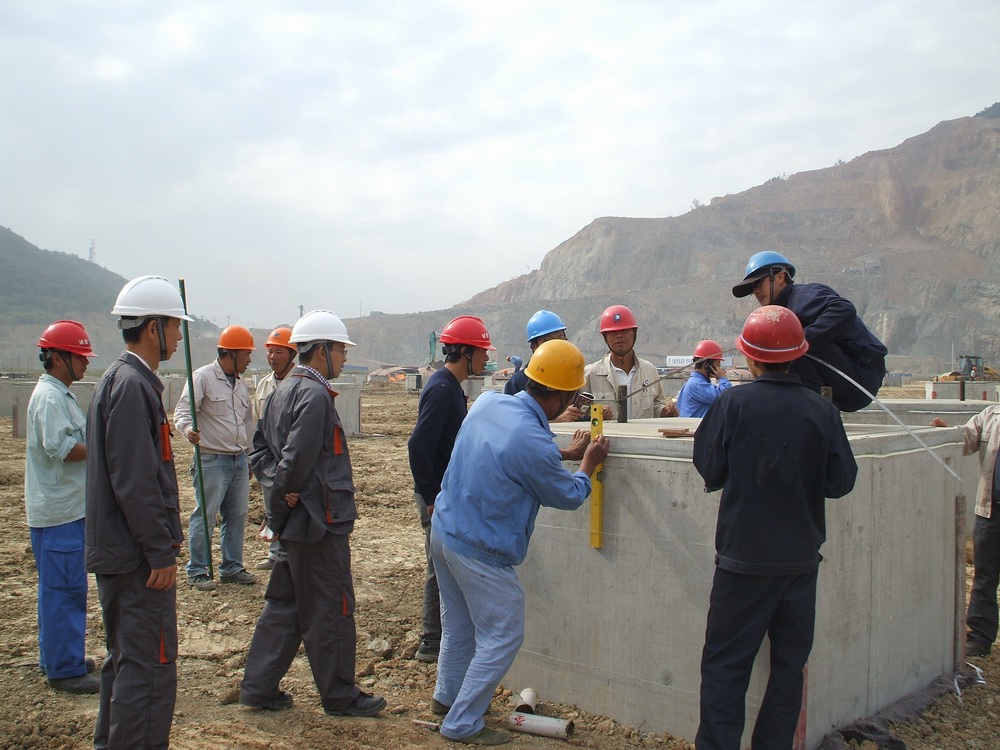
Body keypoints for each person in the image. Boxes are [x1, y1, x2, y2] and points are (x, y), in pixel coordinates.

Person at [692, 305, 858, 750]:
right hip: (800, 565)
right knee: (787, 671)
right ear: (797, 354)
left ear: (750, 356)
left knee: (726, 667)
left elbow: (709, 465)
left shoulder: (732, 404)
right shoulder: (822, 410)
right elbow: (841, 482)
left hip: (742, 565)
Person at [430, 339, 610, 745]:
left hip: (444, 531)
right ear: (561, 396)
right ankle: (462, 724)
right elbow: (567, 495)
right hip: (479, 549)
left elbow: (513, 451)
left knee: (459, 625)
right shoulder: (533, 442)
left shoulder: (489, 403)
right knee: (503, 634)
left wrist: (561, 453)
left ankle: (446, 697)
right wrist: (586, 464)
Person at [239, 310, 386, 718]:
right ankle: (340, 695)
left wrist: (278, 494)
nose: (344, 357)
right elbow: (295, 459)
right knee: (331, 607)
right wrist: (281, 499)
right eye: (340, 349)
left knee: (285, 604)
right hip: (319, 523)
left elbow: (259, 453)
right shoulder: (315, 395)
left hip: (299, 522)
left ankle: (258, 687)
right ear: (321, 351)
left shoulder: (282, 390)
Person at [86, 275, 191, 749]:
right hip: (136, 562)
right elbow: (136, 482)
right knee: (148, 665)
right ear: (152, 328)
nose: (178, 336)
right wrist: (159, 552)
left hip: (122, 554)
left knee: (126, 661)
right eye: (174, 325)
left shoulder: (120, 380)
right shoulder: (131, 386)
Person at [407, 315, 495, 664]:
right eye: (482, 352)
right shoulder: (443, 389)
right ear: (465, 352)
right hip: (437, 496)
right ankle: (431, 641)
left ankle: (443, 635)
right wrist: (430, 496)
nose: (486, 359)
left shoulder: (451, 387)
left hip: (444, 492)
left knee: (445, 562)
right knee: (438, 564)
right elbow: (418, 445)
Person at [25, 320, 100, 694]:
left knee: (59, 589)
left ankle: (58, 657)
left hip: (64, 509)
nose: (85, 363)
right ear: (57, 357)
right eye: (79, 356)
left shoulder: (59, 394)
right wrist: (104, 449)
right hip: (59, 514)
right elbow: (65, 449)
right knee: (65, 589)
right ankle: (65, 669)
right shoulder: (51, 398)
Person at [731, 250, 888, 412]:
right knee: (783, 348)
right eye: (752, 288)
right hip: (841, 383)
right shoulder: (784, 311)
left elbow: (844, 310)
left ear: (780, 277)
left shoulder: (804, 297)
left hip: (861, 375)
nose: (756, 291)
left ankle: (814, 410)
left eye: (758, 283)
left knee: (788, 346)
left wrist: (801, 341)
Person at [174, 325, 257, 591]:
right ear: (231, 354)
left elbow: (247, 423)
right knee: (206, 515)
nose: (249, 359)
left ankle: (232, 567)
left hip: (238, 459)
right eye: (246, 354)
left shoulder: (240, 383)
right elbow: (183, 412)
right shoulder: (202, 378)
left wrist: (249, 456)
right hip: (211, 459)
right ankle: (197, 569)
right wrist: (189, 430)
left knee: (237, 515)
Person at [931, 408, 1000, 657]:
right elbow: (964, 438)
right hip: (991, 511)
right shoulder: (991, 416)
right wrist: (944, 434)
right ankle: (980, 637)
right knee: (985, 577)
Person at [252, 326, 296, 572]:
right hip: (270, 459)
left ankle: (290, 553)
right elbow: (256, 421)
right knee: (271, 503)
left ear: (292, 354)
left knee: (293, 505)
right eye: (270, 352)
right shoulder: (264, 385)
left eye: (279, 352)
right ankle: (274, 553)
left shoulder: (300, 383)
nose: (273, 357)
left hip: (292, 457)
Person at [583, 304, 677, 419]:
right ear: (605, 336)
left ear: (634, 333)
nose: (619, 336)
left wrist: (664, 411)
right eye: (613, 332)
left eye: (624, 331)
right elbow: (579, 414)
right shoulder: (591, 374)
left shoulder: (649, 370)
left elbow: (657, 405)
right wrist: (596, 414)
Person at [504, 310, 587, 423]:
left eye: (560, 338)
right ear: (534, 346)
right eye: (548, 341)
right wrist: (555, 421)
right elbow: (513, 423)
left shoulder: (571, 376)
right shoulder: (517, 382)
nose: (556, 345)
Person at [676, 340, 732, 418]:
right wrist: (723, 379)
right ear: (706, 364)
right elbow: (725, 398)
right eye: (718, 365)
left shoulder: (696, 383)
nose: (719, 369)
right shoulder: (696, 384)